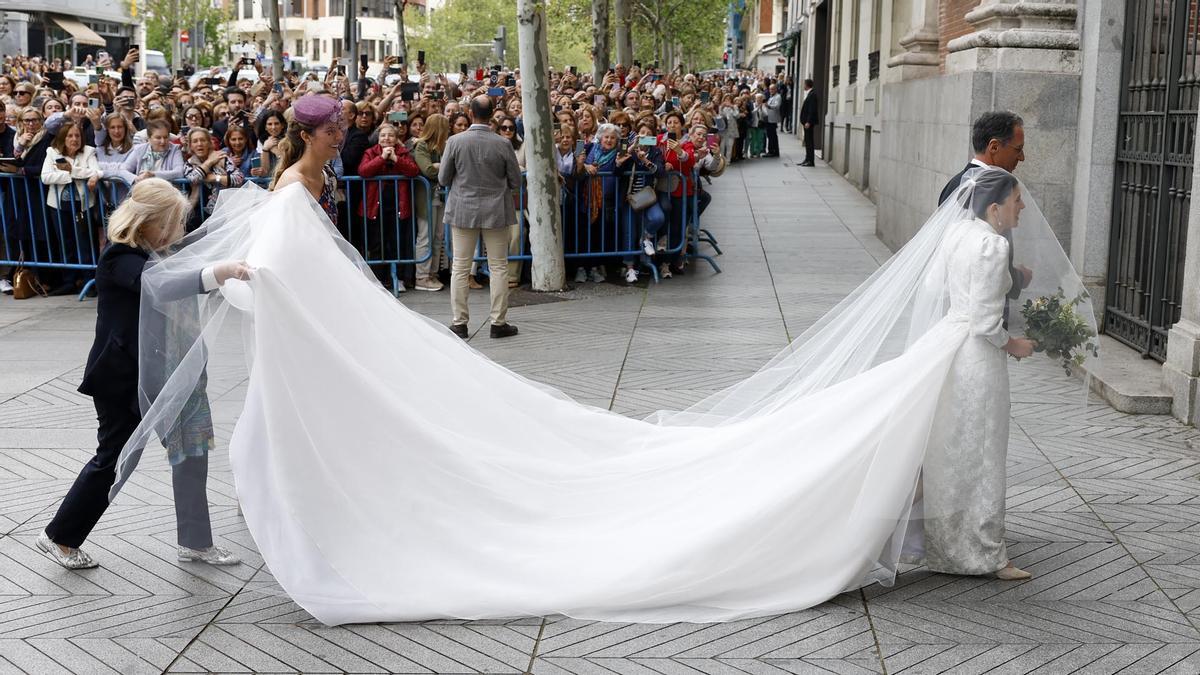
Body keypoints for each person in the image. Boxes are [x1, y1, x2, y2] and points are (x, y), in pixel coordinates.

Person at [37, 178, 248, 570]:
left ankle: (196, 542)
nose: (177, 230)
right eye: (171, 221)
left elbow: (201, 244)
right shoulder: (119, 257)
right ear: (146, 222)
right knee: (115, 460)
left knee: (192, 451)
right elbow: (158, 286)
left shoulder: (163, 250)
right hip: (122, 378)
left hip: (174, 371)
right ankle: (60, 536)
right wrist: (217, 273)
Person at [439, 95, 521, 339]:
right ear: (493, 112)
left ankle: (460, 322)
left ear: (470, 112)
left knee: (460, 267)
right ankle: (498, 322)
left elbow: (443, 178)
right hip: (496, 210)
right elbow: (515, 181)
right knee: (498, 267)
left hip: (463, 209)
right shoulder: (503, 144)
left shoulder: (455, 141)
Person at [938, 111, 1030, 319]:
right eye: (1018, 149)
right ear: (994, 147)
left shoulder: (955, 182)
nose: (1022, 158)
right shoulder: (986, 190)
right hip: (978, 316)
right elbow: (976, 258)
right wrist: (1018, 278)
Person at [271, 95, 344, 226]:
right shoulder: (293, 183)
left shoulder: (327, 173)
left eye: (339, 128)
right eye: (330, 131)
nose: (339, 136)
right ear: (306, 136)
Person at [410, 113, 449, 292]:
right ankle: (422, 276)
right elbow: (428, 171)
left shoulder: (445, 147)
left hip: (440, 197)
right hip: (426, 197)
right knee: (425, 236)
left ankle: (432, 273)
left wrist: (439, 167)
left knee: (438, 236)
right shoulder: (421, 146)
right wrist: (441, 167)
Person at [798, 79, 819, 167]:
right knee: (807, 141)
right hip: (806, 122)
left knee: (809, 142)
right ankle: (807, 159)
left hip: (808, 123)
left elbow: (812, 109)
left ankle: (810, 161)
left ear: (807, 85)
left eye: (804, 84)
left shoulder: (812, 94)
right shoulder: (810, 94)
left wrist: (808, 121)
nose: (803, 86)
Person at [763, 84, 781, 158]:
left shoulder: (778, 97)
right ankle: (773, 151)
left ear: (776, 89)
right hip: (769, 118)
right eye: (770, 89)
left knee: (772, 136)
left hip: (772, 119)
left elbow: (777, 106)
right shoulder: (771, 96)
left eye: (772, 89)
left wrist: (768, 106)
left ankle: (772, 151)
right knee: (771, 135)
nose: (771, 90)